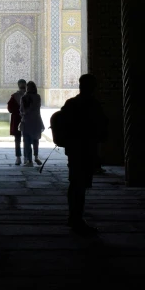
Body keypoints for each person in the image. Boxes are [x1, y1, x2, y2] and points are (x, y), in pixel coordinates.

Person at [59, 73, 108, 235]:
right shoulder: (92, 104)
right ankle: (76, 218)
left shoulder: (71, 103)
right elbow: (101, 127)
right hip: (85, 149)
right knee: (80, 184)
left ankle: (74, 216)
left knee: (75, 182)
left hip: (73, 149)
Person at [19, 81, 45, 167]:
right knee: (35, 140)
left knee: (27, 141)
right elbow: (37, 108)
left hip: (27, 121)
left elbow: (22, 111)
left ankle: (29, 160)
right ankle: (36, 157)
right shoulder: (38, 97)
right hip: (37, 121)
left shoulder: (24, 97)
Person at [7, 79, 27, 165]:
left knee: (24, 139)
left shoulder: (27, 96)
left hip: (23, 119)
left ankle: (23, 157)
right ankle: (20, 157)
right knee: (20, 139)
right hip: (21, 119)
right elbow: (10, 108)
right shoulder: (15, 96)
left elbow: (10, 109)